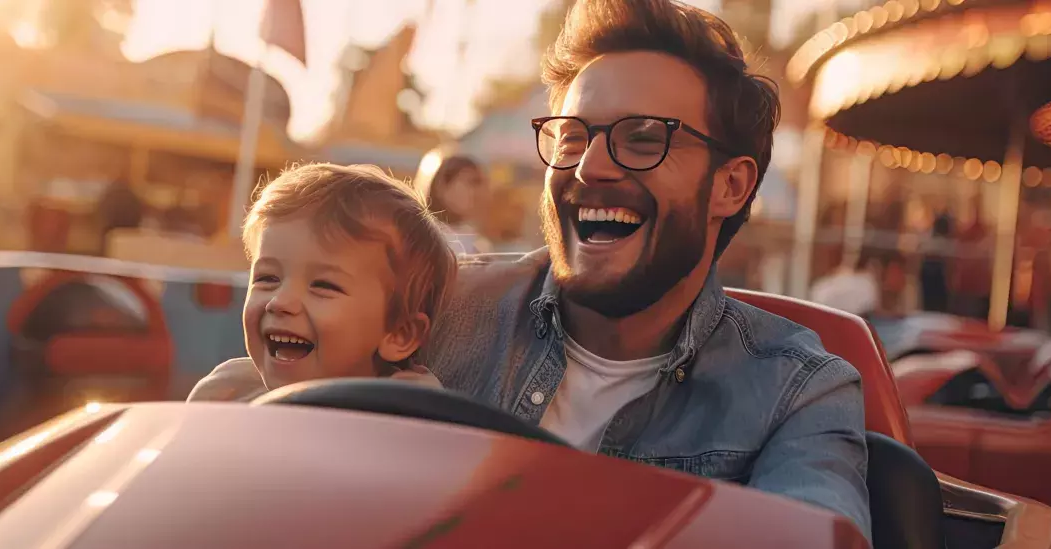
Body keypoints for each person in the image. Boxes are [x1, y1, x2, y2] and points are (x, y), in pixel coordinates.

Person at [424, 0, 870, 539]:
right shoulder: (431, 306)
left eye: (642, 139)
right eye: (571, 137)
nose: (589, 166)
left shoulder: (797, 393)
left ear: (730, 186)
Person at [187, 163, 455, 402]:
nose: (279, 302)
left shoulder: (408, 413)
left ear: (399, 333)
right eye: (268, 279)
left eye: (323, 286)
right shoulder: (227, 393)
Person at [413, 149, 491, 254]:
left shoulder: (474, 243)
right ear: (441, 185)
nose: (481, 191)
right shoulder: (421, 241)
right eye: (473, 182)